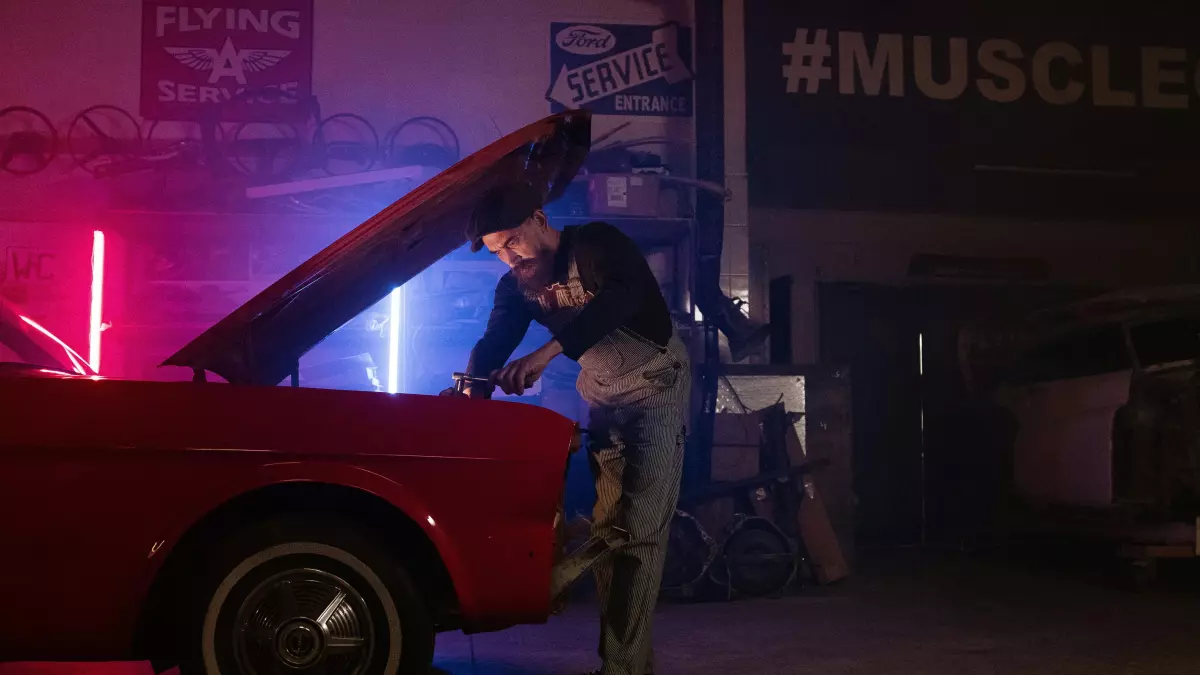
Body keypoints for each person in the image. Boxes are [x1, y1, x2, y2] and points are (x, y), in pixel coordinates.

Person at [459, 181, 689, 675]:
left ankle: (578, 607)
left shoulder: (597, 245)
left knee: (638, 529)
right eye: (498, 252)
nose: (509, 258)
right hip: (603, 400)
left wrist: (547, 353)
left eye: (513, 242)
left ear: (539, 219)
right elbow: (495, 341)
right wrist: (473, 391)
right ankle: (629, 666)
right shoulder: (517, 287)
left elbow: (619, 302)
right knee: (617, 533)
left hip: (656, 388)